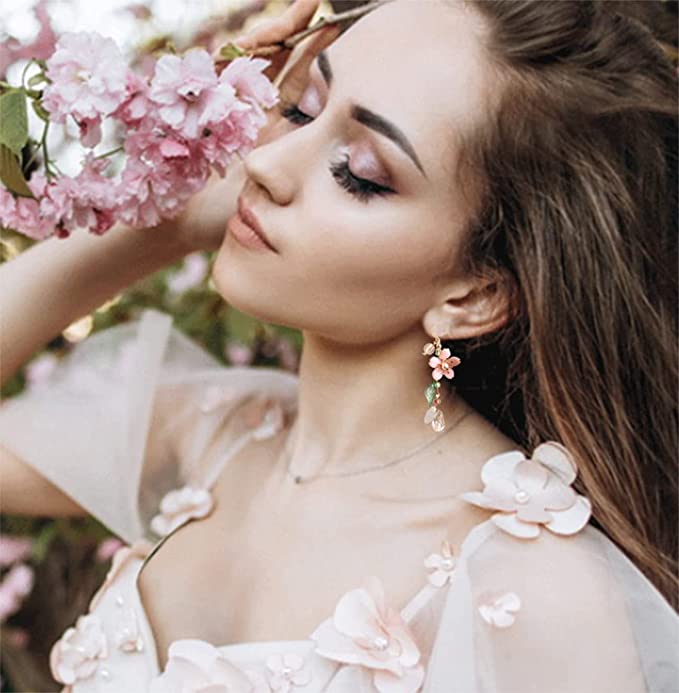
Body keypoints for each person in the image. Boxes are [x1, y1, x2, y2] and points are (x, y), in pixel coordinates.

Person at [0, 0, 677, 691]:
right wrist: (163, 221)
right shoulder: (206, 434)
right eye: (300, 107)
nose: (266, 162)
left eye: (358, 170)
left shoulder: (538, 591)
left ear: (472, 294)